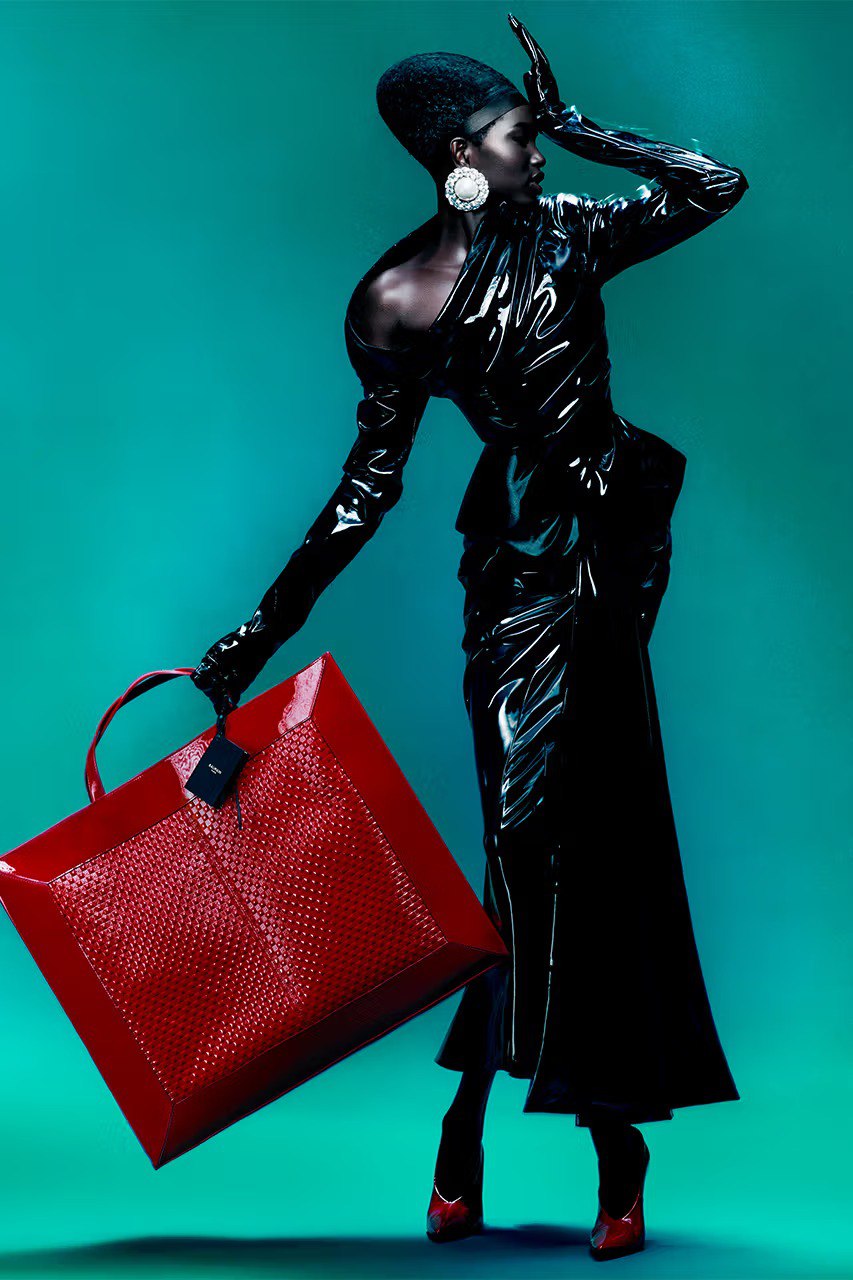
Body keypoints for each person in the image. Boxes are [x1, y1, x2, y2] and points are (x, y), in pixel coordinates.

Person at [191, 13, 747, 1259]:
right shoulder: (394, 300)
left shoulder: (568, 232)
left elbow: (714, 186)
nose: (537, 154)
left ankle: (604, 1137)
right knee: (521, 838)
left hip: (609, 559)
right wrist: (261, 630)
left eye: (539, 137)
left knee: (590, 839)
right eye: (517, 135)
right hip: (512, 573)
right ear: (457, 154)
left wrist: (582, 124)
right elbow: (365, 489)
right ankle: (477, 1114)